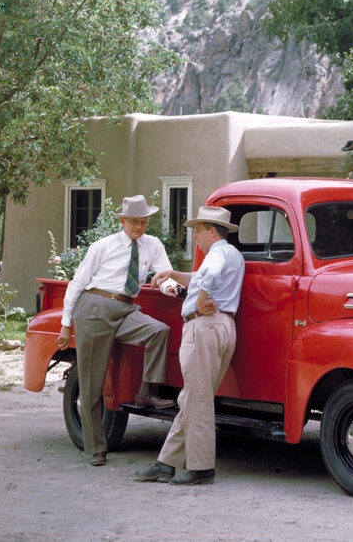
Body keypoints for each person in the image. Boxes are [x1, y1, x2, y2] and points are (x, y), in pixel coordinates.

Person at [56, 195, 178, 467]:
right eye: (135, 222)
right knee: (92, 384)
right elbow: (77, 284)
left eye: (144, 222)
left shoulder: (153, 245)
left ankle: (146, 391)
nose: (140, 227)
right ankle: (95, 448)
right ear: (122, 221)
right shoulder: (103, 246)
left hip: (126, 308)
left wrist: (169, 286)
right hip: (95, 308)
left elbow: (164, 274)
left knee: (158, 331)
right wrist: (66, 324)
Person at [134, 206, 244, 486]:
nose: (196, 237)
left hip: (203, 326)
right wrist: (173, 273)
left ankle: (201, 467)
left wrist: (198, 300)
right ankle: (166, 463)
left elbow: (209, 276)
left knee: (197, 399)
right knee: (193, 398)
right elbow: (200, 277)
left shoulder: (217, 254)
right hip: (224, 326)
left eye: (198, 231)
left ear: (212, 230)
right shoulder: (233, 255)